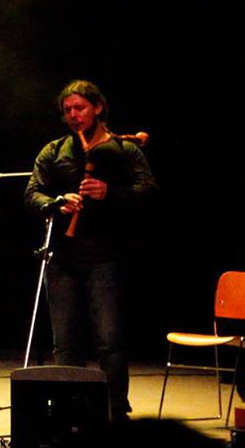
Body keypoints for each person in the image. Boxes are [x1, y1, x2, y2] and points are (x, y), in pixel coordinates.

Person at [23, 79, 155, 420]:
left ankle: (114, 411)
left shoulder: (124, 150)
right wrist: (56, 202)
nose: (73, 115)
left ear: (97, 108)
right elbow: (32, 192)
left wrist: (109, 193)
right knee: (65, 341)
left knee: (109, 340)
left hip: (106, 255)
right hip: (63, 256)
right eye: (67, 110)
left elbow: (149, 192)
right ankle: (70, 411)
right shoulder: (54, 151)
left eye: (79, 108)